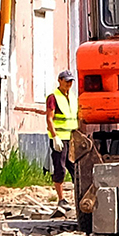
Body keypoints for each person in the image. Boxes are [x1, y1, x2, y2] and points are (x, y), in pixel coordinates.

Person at [46, 70, 78, 205]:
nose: (69, 84)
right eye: (66, 81)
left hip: (72, 139)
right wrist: (55, 137)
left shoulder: (73, 97)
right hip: (60, 139)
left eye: (71, 81)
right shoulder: (54, 97)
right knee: (60, 167)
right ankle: (61, 199)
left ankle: (77, 197)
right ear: (60, 80)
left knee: (75, 169)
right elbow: (49, 118)